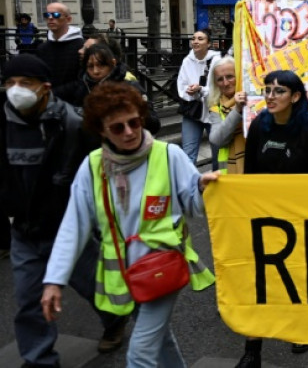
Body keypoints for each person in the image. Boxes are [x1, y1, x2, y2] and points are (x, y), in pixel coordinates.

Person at [41, 82, 217, 367]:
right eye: (117, 127)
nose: (129, 131)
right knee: (160, 342)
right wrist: (54, 281)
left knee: (140, 355)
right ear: (101, 131)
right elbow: (73, 227)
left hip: (164, 267)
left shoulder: (168, 155)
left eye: (134, 122)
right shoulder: (92, 166)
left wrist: (202, 187)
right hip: (123, 274)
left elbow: (194, 205)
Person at [1, 55, 128, 367]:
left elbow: (101, 170)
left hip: (70, 227)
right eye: (10, 83)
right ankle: (40, 358)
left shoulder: (74, 124)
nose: (16, 90)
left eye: (25, 84)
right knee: (30, 299)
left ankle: (115, 320)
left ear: (45, 88)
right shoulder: (3, 122)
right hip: (26, 230)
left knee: (95, 287)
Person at [239, 70, 308, 365]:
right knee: (260, 280)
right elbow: (250, 173)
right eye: (267, 90)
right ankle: (252, 350)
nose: (270, 96)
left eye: (278, 91)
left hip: (299, 221)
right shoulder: (259, 126)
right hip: (266, 219)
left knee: (297, 277)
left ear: (295, 97)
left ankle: (300, 329)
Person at [56, 43, 161, 133]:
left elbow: (154, 124)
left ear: (113, 63)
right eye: (90, 66)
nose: (95, 71)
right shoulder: (82, 87)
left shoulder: (129, 87)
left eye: (101, 65)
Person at [176, 29, 220, 165]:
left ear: (209, 44)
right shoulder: (187, 61)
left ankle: (218, 184)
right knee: (188, 155)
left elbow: (219, 88)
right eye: (193, 38)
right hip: (193, 111)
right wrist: (190, 92)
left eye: (200, 39)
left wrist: (201, 90)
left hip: (214, 112)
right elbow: (181, 85)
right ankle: (190, 186)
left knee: (218, 155)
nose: (195, 41)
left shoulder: (217, 61)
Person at [207, 57, 247, 175]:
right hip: (231, 175)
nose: (225, 83)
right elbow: (216, 139)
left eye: (230, 77)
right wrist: (237, 110)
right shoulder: (216, 107)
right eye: (220, 79)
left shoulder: (255, 98)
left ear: (239, 76)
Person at [35, 2, 84, 88]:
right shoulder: (42, 48)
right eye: (47, 15)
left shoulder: (81, 46)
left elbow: (82, 80)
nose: (50, 18)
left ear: (68, 19)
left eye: (56, 15)